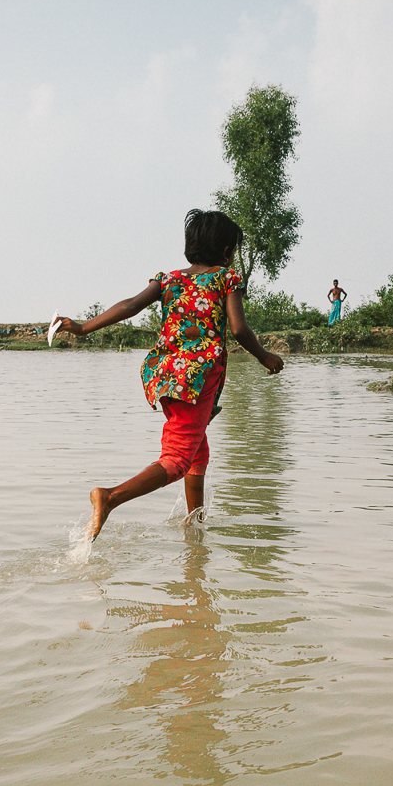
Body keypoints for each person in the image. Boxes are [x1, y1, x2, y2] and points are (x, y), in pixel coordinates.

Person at [54, 209, 284, 540]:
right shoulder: (225, 278)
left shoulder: (169, 279)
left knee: (196, 449)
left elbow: (131, 305)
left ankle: (195, 527)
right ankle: (110, 497)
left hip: (165, 374)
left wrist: (83, 327)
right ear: (226, 252)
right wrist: (265, 356)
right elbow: (238, 328)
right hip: (198, 377)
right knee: (176, 459)